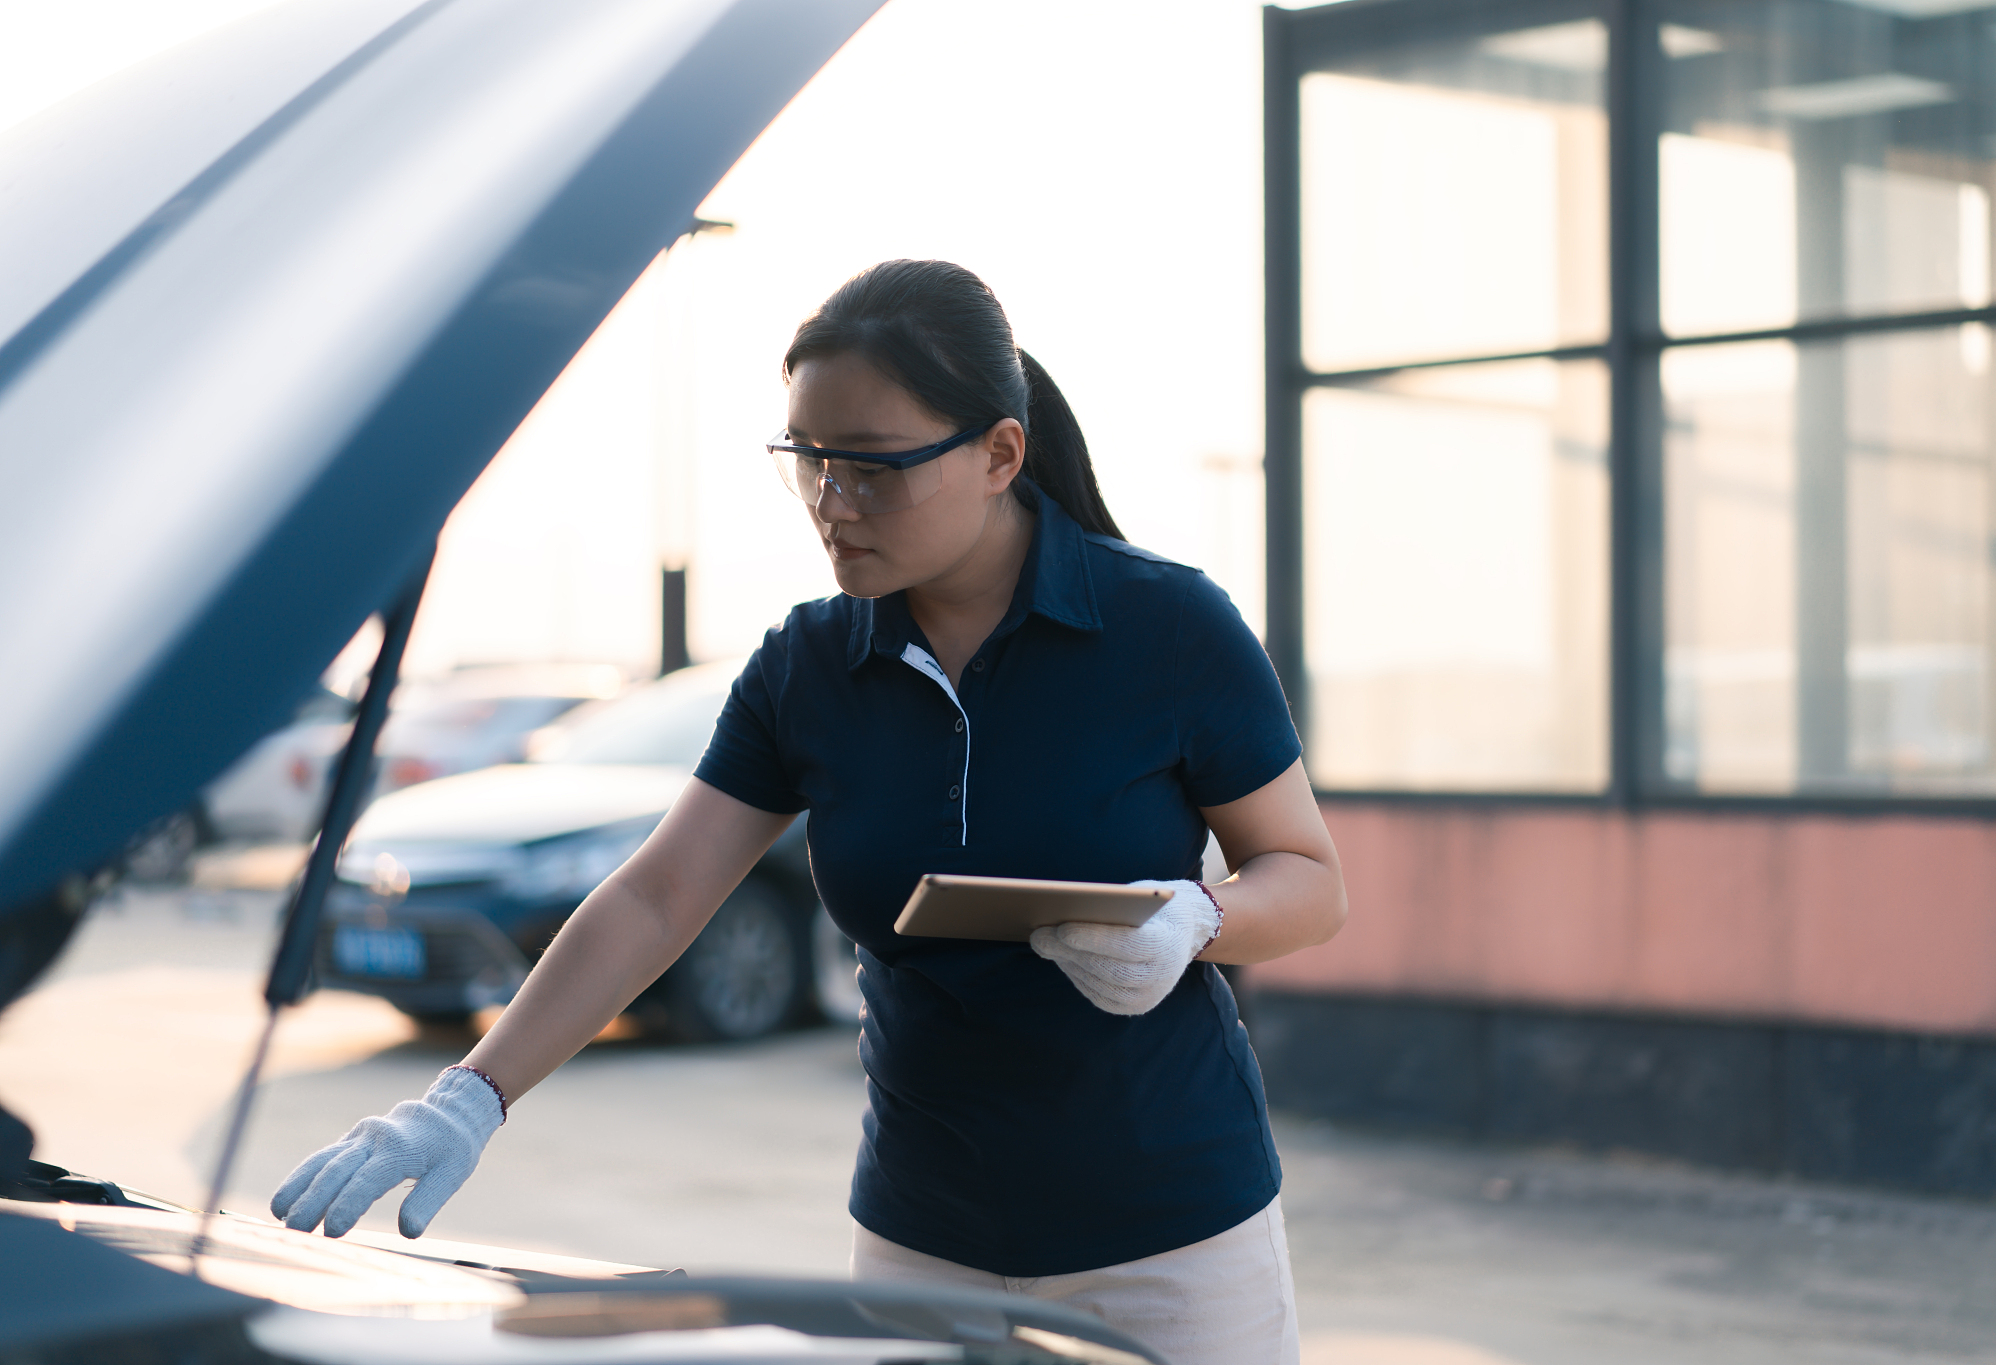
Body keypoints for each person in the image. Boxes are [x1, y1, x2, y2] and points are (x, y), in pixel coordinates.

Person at [271, 259, 1347, 1365]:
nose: (833, 505)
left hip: (1172, 1239)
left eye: (873, 469)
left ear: (999, 455)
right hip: (926, 1240)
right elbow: (658, 892)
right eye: (809, 462)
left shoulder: (1167, 628)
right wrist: (471, 1096)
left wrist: (1194, 920)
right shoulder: (808, 667)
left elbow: (1308, 883)